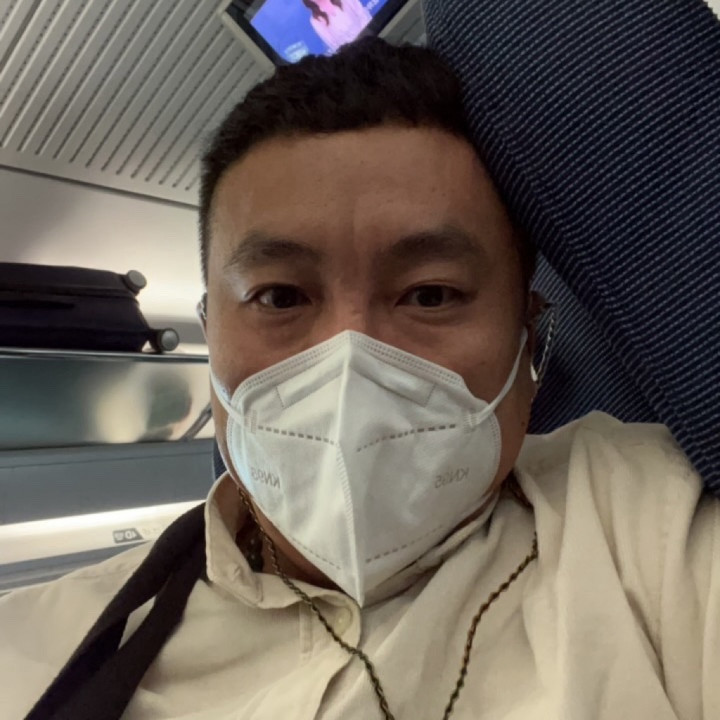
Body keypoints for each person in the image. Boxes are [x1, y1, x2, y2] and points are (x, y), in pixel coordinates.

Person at [2, 37, 720, 720]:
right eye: (280, 296)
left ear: (527, 340)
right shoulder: (30, 649)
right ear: (210, 334)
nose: (350, 361)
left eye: (430, 294)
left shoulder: (649, 532)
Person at [304, 0, 373, 53]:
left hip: (369, 38)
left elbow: (362, 14)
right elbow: (333, 43)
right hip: (352, 52)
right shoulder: (315, 20)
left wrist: (367, 37)